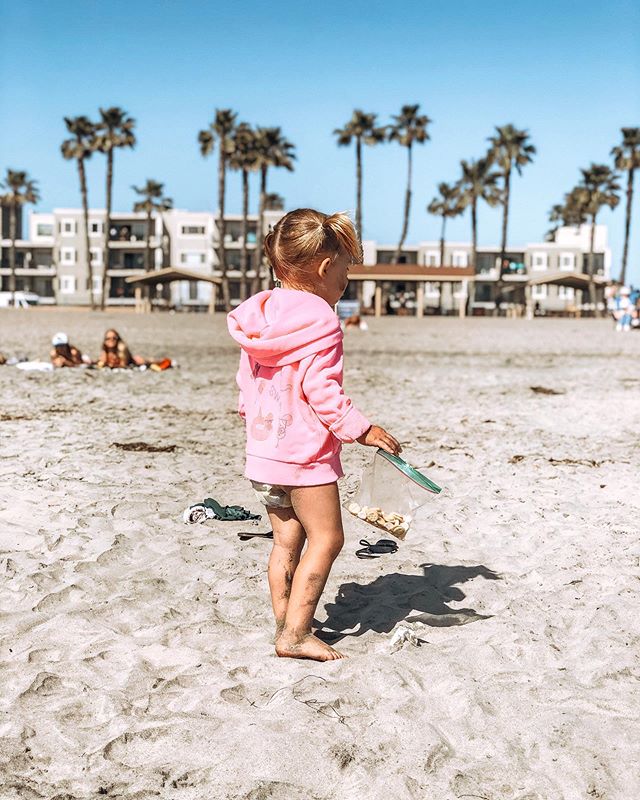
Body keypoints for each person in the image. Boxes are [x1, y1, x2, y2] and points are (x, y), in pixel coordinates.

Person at [227, 208, 401, 662]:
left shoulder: (258, 317)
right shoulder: (321, 319)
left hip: (263, 451)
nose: (344, 281)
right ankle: (296, 634)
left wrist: (255, 423)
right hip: (304, 453)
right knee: (327, 538)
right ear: (326, 269)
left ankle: (286, 620)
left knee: (287, 539)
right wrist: (360, 429)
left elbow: (247, 382)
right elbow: (320, 388)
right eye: (344, 272)